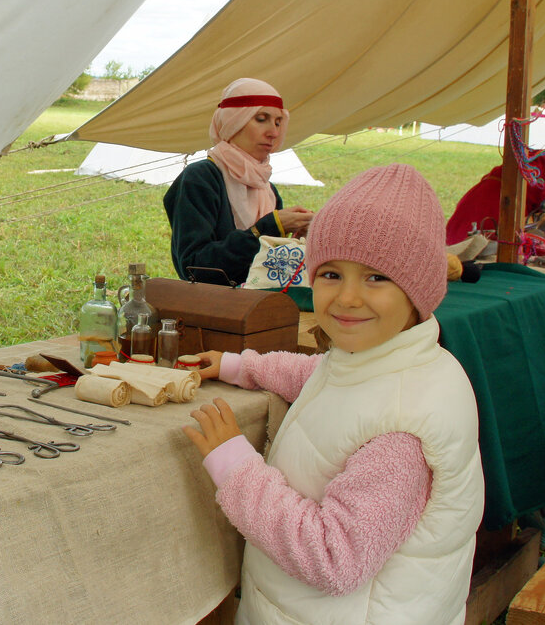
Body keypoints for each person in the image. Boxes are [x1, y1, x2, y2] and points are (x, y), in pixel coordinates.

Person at [183, 163, 484, 625]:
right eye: (330, 274)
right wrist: (241, 365)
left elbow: (334, 558)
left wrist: (235, 464)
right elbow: (323, 376)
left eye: (376, 278)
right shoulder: (383, 361)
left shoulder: (402, 432)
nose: (346, 297)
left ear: (419, 288)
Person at [162, 78, 313, 285]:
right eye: (261, 119)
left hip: (257, 307)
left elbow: (266, 269)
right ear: (233, 122)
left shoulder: (267, 189)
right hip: (212, 311)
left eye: (278, 122)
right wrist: (267, 229)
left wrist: (297, 240)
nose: (274, 132)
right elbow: (193, 268)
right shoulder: (200, 179)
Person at [445, 140, 545, 244]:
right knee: (467, 244)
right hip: (493, 201)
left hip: (492, 198)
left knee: (464, 242)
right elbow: (527, 174)